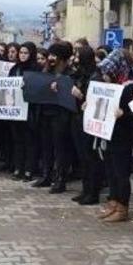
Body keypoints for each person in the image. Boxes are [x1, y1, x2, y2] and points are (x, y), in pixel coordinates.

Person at [96, 48, 133, 222]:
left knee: (121, 172)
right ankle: (113, 202)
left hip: (123, 135)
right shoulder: (113, 85)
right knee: (111, 171)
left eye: (109, 72)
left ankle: (122, 207)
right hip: (109, 133)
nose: (105, 75)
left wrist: (124, 114)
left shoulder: (131, 86)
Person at [33, 42, 74, 194]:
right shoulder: (46, 71)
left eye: (54, 55)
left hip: (60, 115)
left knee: (60, 149)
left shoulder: (70, 73)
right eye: (50, 55)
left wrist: (60, 87)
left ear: (62, 58)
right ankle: (47, 175)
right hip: (45, 113)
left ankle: (60, 179)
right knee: (46, 146)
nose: (50, 58)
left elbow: (72, 91)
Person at [69, 45, 100, 204]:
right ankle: (86, 190)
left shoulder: (95, 76)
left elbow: (95, 100)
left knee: (90, 157)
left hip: (89, 120)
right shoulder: (80, 74)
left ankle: (92, 192)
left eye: (78, 56)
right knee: (82, 156)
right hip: (78, 118)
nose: (75, 59)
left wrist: (81, 95)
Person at [9, 42, 39, 181]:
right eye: (21, 53)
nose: (22, 55)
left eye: (26, 53)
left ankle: (29, 170)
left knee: (30, 141)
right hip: (16, 110)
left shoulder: (36, 69)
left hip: (30, 111)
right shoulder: (15, 69)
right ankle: (18, 168)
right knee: (17, 141)